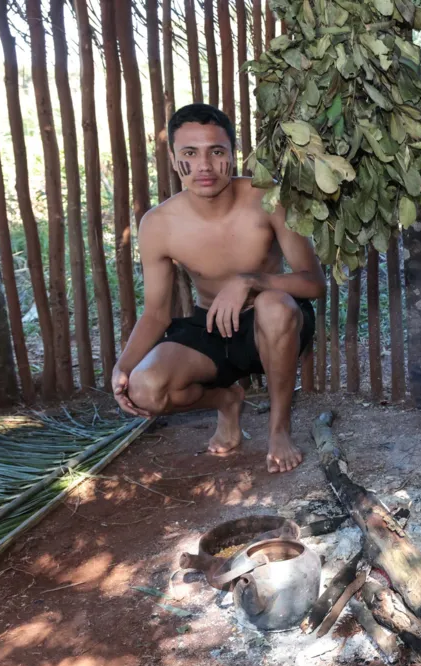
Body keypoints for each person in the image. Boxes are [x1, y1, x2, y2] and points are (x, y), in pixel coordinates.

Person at [111, 104, 325, 473]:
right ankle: (227, 400)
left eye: (216, 151)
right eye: (190, 153)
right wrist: (123, 368)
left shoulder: (268, 199)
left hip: (271, 326)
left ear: (233, 153)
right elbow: (156, 313)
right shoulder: (158, 224)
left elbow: (313, 283)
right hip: (210, 327)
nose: (204, 166)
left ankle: (279, 430)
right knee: (145, 388)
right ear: (175, 159)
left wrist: (251, 282)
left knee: (274, 305)